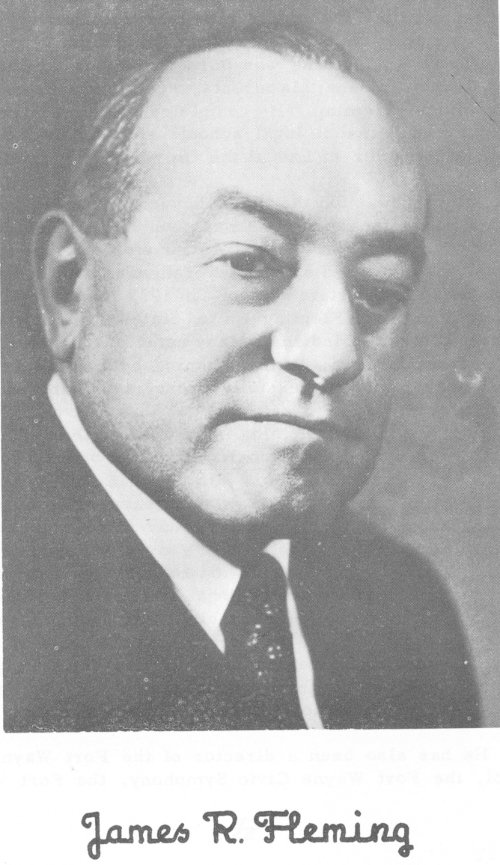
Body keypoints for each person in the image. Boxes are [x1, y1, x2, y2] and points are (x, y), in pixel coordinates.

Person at [3, 22, 481, 731]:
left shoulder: (408, 613)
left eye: (378, 289)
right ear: (69, 287)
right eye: (250, 261)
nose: (333, 353)